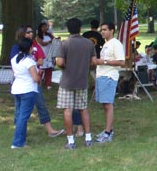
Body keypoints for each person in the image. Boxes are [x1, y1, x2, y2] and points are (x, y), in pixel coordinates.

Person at [10, 25, 64, 138]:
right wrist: (32, 65)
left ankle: (50, 130)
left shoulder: (34, 45)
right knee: (20, 110)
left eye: (31, 32)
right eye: (28, 32)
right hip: (23, 83)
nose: (31, 34)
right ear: (22, 34)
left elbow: (40, 60)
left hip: (34, 81)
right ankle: (19, 132)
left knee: (41, 104)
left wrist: (34, 66)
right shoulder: (17, 48)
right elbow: (17, 65)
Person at [55, 17, 97, 149]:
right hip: (82, 80)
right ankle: (88, 138)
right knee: (83, 109)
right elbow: (94, 62)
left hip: (67, 81)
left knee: (68, 110)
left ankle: (71, 141)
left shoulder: (65, 44)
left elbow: (59, 62)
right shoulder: (89, 43)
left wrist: (66, 66)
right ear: (80, 28)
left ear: (68, 29)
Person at [95, 22, 125, 143]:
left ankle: (108, 133)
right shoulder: (106, 44)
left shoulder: (116, 44)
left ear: (112, 30)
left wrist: (104, 62)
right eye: (101, 30)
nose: (102, 32)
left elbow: (122, 62)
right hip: (101, 76)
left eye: (105, 30)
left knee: (108, 104)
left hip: (109, 76)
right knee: (105, 105)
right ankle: (109, 129)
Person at [10, 38, 40, 149]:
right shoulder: (29, 61)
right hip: (28, 90)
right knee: (23, 116)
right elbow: (35, 78)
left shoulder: (14, 59)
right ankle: (18, 142)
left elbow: (15, 73)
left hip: (17, 88)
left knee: (19, 115)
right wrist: (39, 74)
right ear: (30, 48)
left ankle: (20, 138)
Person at [36, 21, 55, 89]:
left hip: (49, 53)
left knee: (49, 69)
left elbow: (54, 40)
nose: (45, 28)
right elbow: (42, 43)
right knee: (41, 69)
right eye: (43, 27)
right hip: (42, 54)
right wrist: (49, 42)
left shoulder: (49, 35)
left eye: (46, 26)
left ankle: (48, 83)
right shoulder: (38, 36)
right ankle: (38, 82)